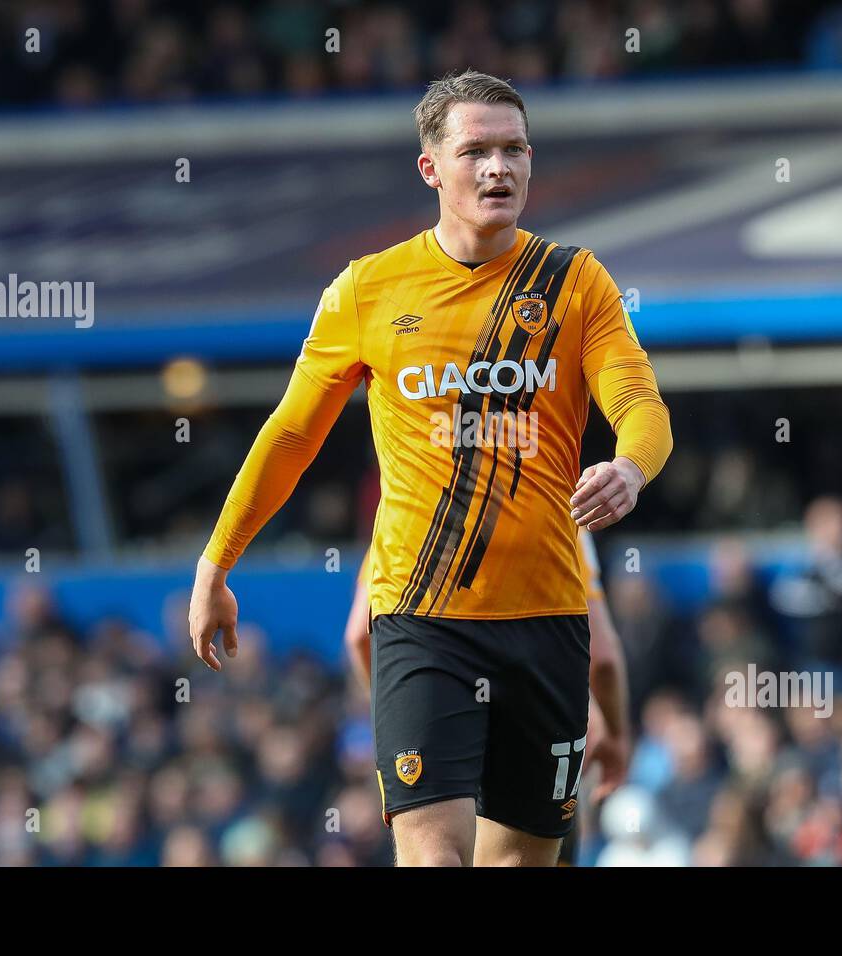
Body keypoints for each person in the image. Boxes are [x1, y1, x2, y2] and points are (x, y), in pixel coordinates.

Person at [190, 69, 671, 866]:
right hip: (422, 615)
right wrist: (217, 561)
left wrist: (630, 467)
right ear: (431, 168)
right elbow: (289, 436)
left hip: (547, 617)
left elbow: (642, 404)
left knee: (517, 861)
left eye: (515, 149)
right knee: (433, 857)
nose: (499, 168)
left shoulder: (575, 281)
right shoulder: (368, 290)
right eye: (477, 151)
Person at [343, 528, 632, 865]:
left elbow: (357, 637)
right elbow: (604, 659)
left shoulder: (407, 508)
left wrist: (398, 723)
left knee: (433, 852)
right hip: (538, 717)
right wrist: (616, 733)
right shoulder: (559, 508)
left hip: (438, 724)